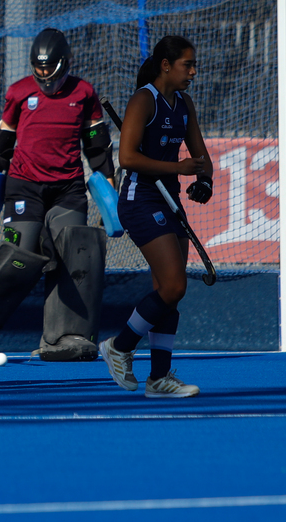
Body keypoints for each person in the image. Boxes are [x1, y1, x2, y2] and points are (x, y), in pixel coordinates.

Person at [0, 28, 115, 363]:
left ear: (66, 63)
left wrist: (109, 186)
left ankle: (65, 336)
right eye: (39, 71)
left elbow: (97, 146)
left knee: (74, 255)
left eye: (51, 71)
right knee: (19, 254)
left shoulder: (84, 92)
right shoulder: (18, 92)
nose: (46, 78)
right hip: (24, 186)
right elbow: (1, 144)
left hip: (68, 189)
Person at [100, 36, 210, 398]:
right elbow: (128, 158)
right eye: (187, 65)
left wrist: (204, 181)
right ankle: (119, 346)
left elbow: (201, 157)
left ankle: (158, 378)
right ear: (166, 65)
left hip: (169, 200)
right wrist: (177, 168)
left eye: (193, 65)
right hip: (139, 200)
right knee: (175, 285)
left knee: (168, 293)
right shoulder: (143, 100)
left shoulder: (184, 104)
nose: (192, 72)